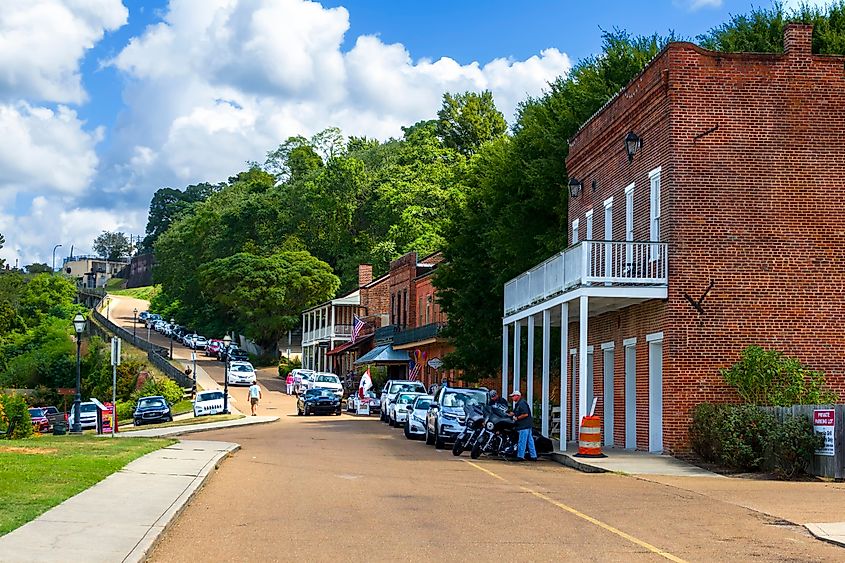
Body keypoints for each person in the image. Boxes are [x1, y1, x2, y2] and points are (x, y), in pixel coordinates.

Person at [510, 390, 537, 461]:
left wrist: (517, 418)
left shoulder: (522, 403)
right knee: (529, 441)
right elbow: (514, 412)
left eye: (513, 396)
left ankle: (520, 456)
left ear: (517, 396)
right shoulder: (519, 403)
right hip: (527, 425)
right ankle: (533, 456)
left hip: (523, 426)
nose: (512, 398)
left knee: (522, 441)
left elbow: (525, 414)